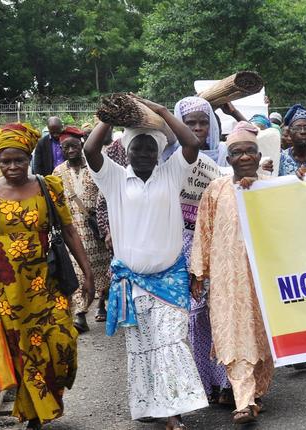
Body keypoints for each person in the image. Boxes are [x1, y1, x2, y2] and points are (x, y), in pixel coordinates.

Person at [84, 94, 208, 429]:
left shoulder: (171, 174)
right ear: (127, 150)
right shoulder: (113, 178)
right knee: (144, 347)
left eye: (150, 148)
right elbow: (91, 151)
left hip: (170, 278)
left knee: (170, 342)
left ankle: (173, 412)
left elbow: (191, 143)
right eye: (137, 147)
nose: (143, 153)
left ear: (157, 152)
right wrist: (110, 116)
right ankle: (154, 404)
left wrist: (162, 111)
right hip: (133, 282)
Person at [0, 123, 94, 429]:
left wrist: (88, 272)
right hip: (8, 287)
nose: (12, 167)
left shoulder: (47, 187)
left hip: (48, 280)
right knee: (24, 348)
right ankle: (34, 415)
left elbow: (68, 230)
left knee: (61, 343)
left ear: (29, 158)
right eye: (5, 161)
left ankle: (46, 400)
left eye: (19, 160)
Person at [189, 122, 274, 425]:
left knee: (263, 336)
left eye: (249, 151)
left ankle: (256, 393)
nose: (244, 157)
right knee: (233, 334)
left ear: (258, 153)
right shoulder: (216, 190)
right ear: (228, 159)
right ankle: (244, 401)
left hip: (265, 277)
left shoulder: (272, 186)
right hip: (227, 280)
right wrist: (199, 272)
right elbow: (204, 231)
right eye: (237, 153)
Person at [170, 96, 233, 406]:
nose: (196, 127)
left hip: (219, 242)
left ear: (212, 123)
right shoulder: (170, 157)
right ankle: (200, 383)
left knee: (220, 310)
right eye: (189, 122)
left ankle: (226, 383)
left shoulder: (225, 153)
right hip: (181, 242)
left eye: (202, 121)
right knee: (194, 316)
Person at [52, 127, 110, 334]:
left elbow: (106, 195)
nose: (70, 150)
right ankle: (80, 313)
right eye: (65, 147)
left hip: (96, 230)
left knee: (103, 270)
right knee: (77, 271)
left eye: (74, 146)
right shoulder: (57, 172)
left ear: (82, 145)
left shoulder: (95, 167)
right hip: (72, 231)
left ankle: (102, 302)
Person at [94, 126, 126, 322]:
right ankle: (122, 312)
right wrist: (108, 230)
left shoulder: (156, 141)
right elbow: (103, 201)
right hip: (120, 228)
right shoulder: (114, 149)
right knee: (121, 271)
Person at [163, 96, 229, 167]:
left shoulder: (222, 152)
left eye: (203, 123)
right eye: (191, 123)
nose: (198, 128)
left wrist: (234, 113)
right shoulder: (169, 154)